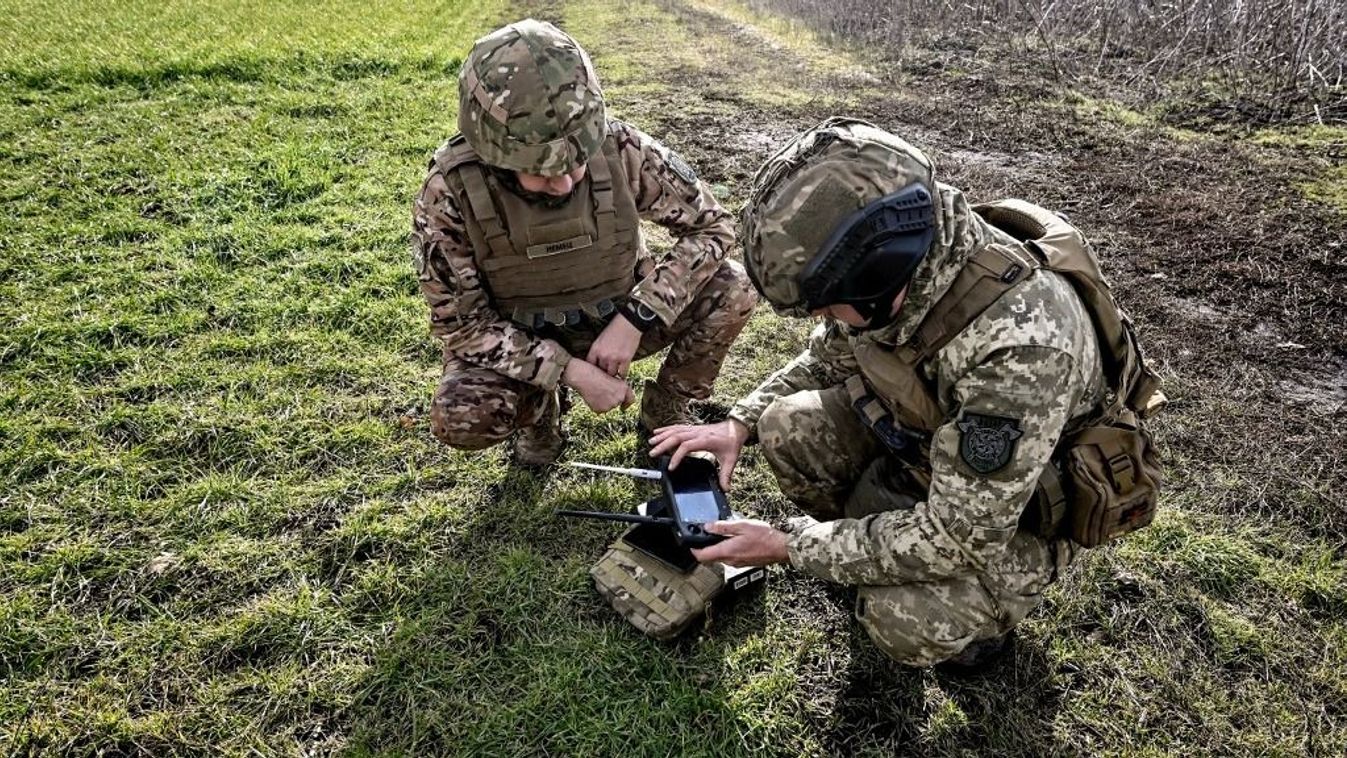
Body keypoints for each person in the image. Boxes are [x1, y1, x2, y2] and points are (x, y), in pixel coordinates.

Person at [650, 118, 1163, 668]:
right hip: (937, 453)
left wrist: (788, 545)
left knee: (903, 622)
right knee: (785, 424)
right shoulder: (910, 267)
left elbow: (960, 537)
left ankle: (976, 631)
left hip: (1018, 514)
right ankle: (870, 547)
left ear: (879, 272)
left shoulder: (1020, 349)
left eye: (824, 302)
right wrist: (740, 423)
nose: (821, 316)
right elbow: (830, 355)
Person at [412, 19, 755, 466]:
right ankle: (539, 416)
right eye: (543, 171)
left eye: (577, 161)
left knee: (733, 287)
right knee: (462, 415)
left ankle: (666, 411)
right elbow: (465, 327)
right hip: (523, 335)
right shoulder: (451, 192)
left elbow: (713, 227)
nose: (566, 182)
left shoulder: (622, 147)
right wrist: (567, 371)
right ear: (494, 155)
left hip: (619, 314)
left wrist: (635, 319)